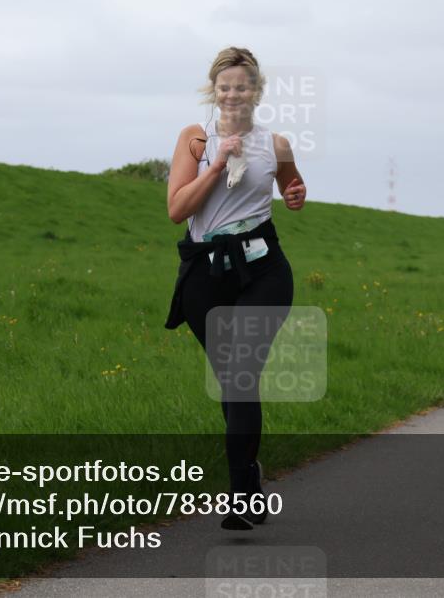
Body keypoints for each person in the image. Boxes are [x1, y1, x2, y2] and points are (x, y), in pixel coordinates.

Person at [164, 47, 306, 530]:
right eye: (224, 87)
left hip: (263, 269)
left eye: (241, 86)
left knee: (241, 375)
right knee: (231, 382)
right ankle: (252, 479)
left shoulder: (276, 144)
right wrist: (217, 163)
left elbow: (293, 191)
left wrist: (295, 195)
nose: (232, 94)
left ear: (256, 91)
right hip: (206, 272)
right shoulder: (196, 140)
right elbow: (178, 210)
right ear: (213, 90)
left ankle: (241, 496)